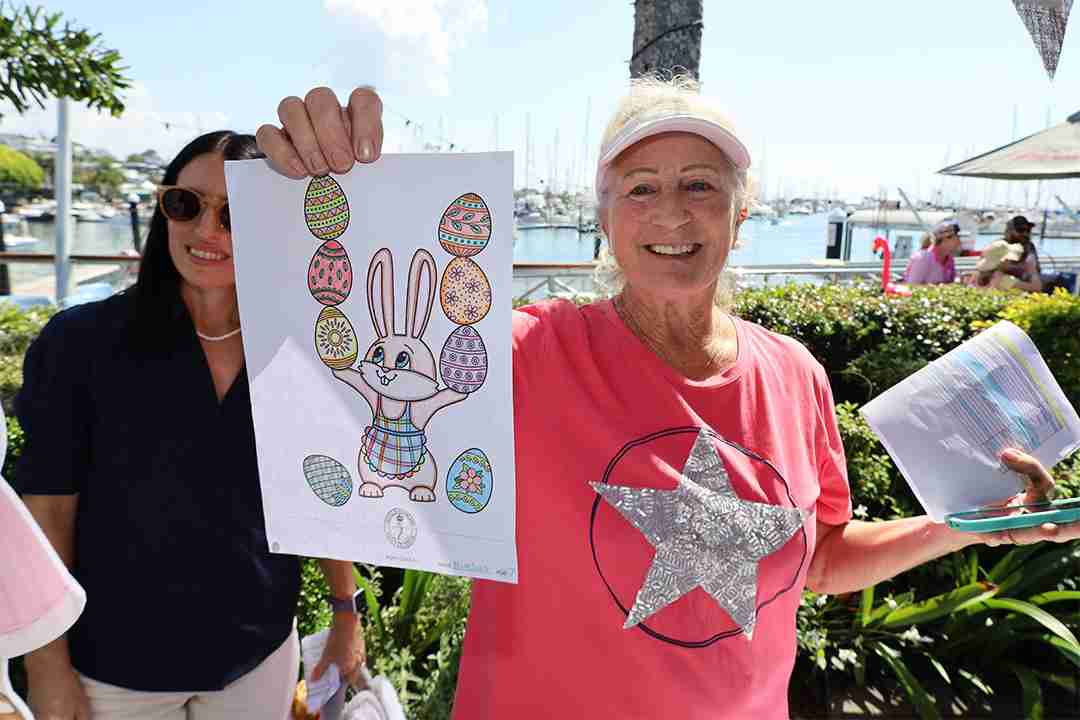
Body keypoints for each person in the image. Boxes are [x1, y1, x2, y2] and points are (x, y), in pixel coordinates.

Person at [258, 80, 1080, 719]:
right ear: (605, 216)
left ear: (741, 211)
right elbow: (341, 356)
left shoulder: (794, 374)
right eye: (642, 188)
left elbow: (822, 560)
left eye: (700, 184)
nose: (673, 212)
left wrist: (964, 524)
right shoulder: (527, 354)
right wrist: (322, 194)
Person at [16, 131, 364, 720]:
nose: (207, 230)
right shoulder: (79, 344)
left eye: (235, 213)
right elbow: (47, 510)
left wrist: (345, 613)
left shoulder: (303, 350)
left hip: (257, 656)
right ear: (164, 209)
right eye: (186, 204)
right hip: (112, 667)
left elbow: (326, 490)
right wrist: (46, 664)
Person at [901, 219, 960, 285]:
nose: (959, 241)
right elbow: (912, 286)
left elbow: (950, 284)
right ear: (945, 238)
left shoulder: (949, 260)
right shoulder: (922, 258)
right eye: (957, 236)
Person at [998, 215, 1043, 292]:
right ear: (1010, 231)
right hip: (1009, 285)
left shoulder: (1030, 246)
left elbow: (1036, 269)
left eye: (1028, 230)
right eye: (1020, 230)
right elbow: (999, 270)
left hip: (1029, 282)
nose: (1025, 233)